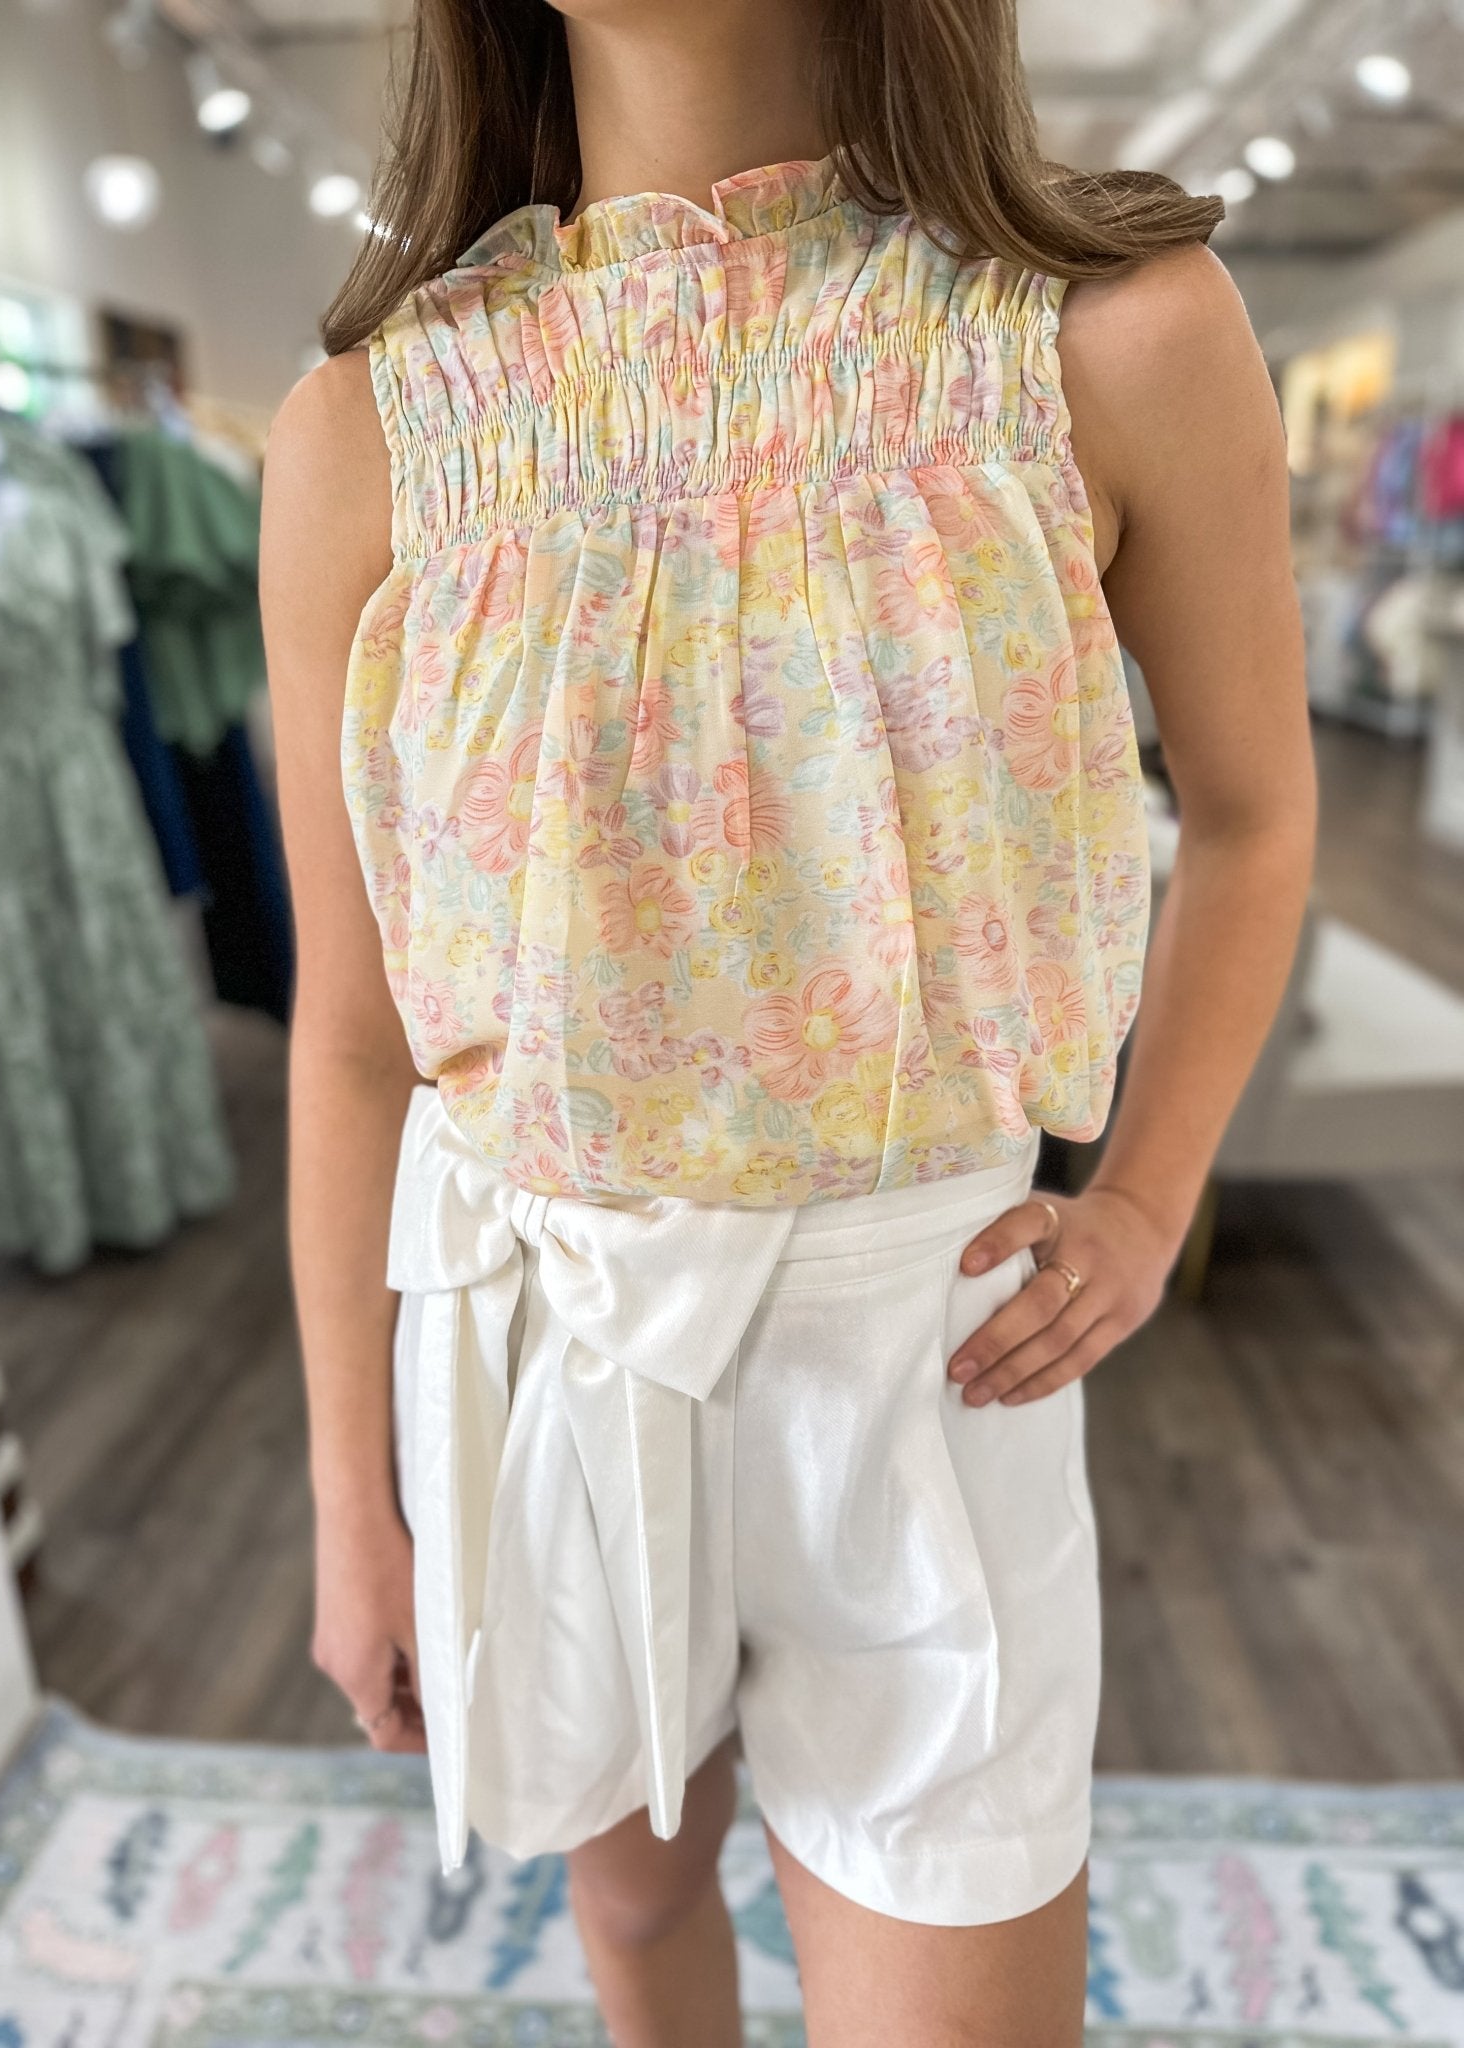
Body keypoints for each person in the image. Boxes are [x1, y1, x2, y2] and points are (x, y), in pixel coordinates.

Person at [260, 0, 1316, 2039]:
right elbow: (357, 1028)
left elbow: (1257, 814)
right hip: (538, 1336)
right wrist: (350, 1506)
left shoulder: (1103, 337)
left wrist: (1143, 1198)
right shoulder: (371, 429)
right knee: (639, 1913)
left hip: (930, 1354)